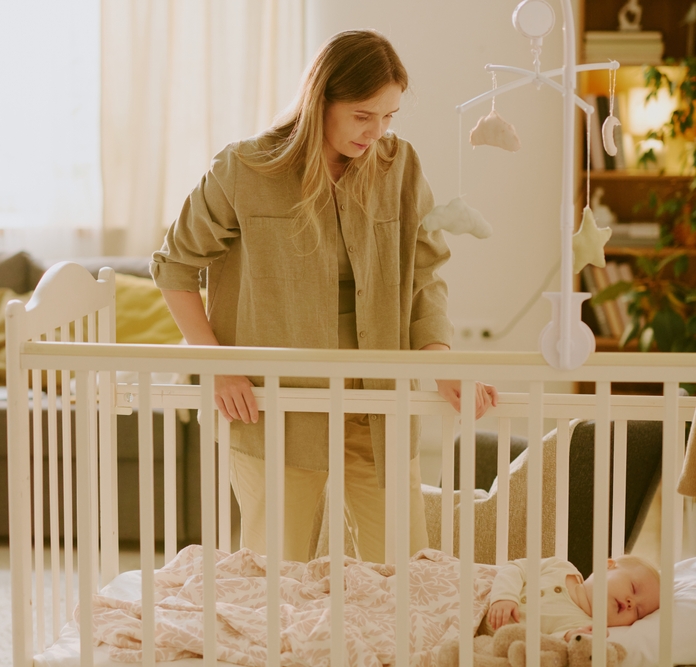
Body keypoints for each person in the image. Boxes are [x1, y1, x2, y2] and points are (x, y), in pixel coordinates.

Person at [149, 30, 498, 563]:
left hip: (378, 396)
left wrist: (439, 357)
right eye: (363, 115)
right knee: (277, 574)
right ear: (321, 101)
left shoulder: (399, 167)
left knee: (403, 570)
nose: (377, 131)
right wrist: (215, 363)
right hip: (276, 405)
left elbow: (424, 272)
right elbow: (174, 267)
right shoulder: (244, 169)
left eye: (389, 116)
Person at [487, 554, 661, 641]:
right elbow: (515, 568)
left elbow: (547, 642)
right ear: (607, 566)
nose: (632, 603)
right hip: (480, 597)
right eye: (633, 588)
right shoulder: (560, 567)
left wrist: (570, 636)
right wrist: (505, 596)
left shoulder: (582, 626)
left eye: (638, 611)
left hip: (482, 638)